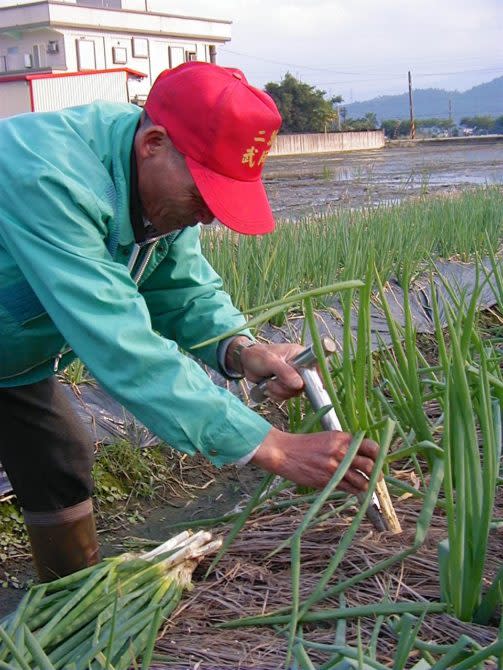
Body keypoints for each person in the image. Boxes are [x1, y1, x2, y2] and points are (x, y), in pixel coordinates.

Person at [0, 61, 378, 582]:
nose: (206, 216)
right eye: (204, 195)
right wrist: (268, 444)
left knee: (58, 458)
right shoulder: (50, 174)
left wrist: (243, 350)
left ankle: (67, 611)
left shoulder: (156, 186)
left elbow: (180, 288)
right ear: (153, 143)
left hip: (11, 358)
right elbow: (119, 342)